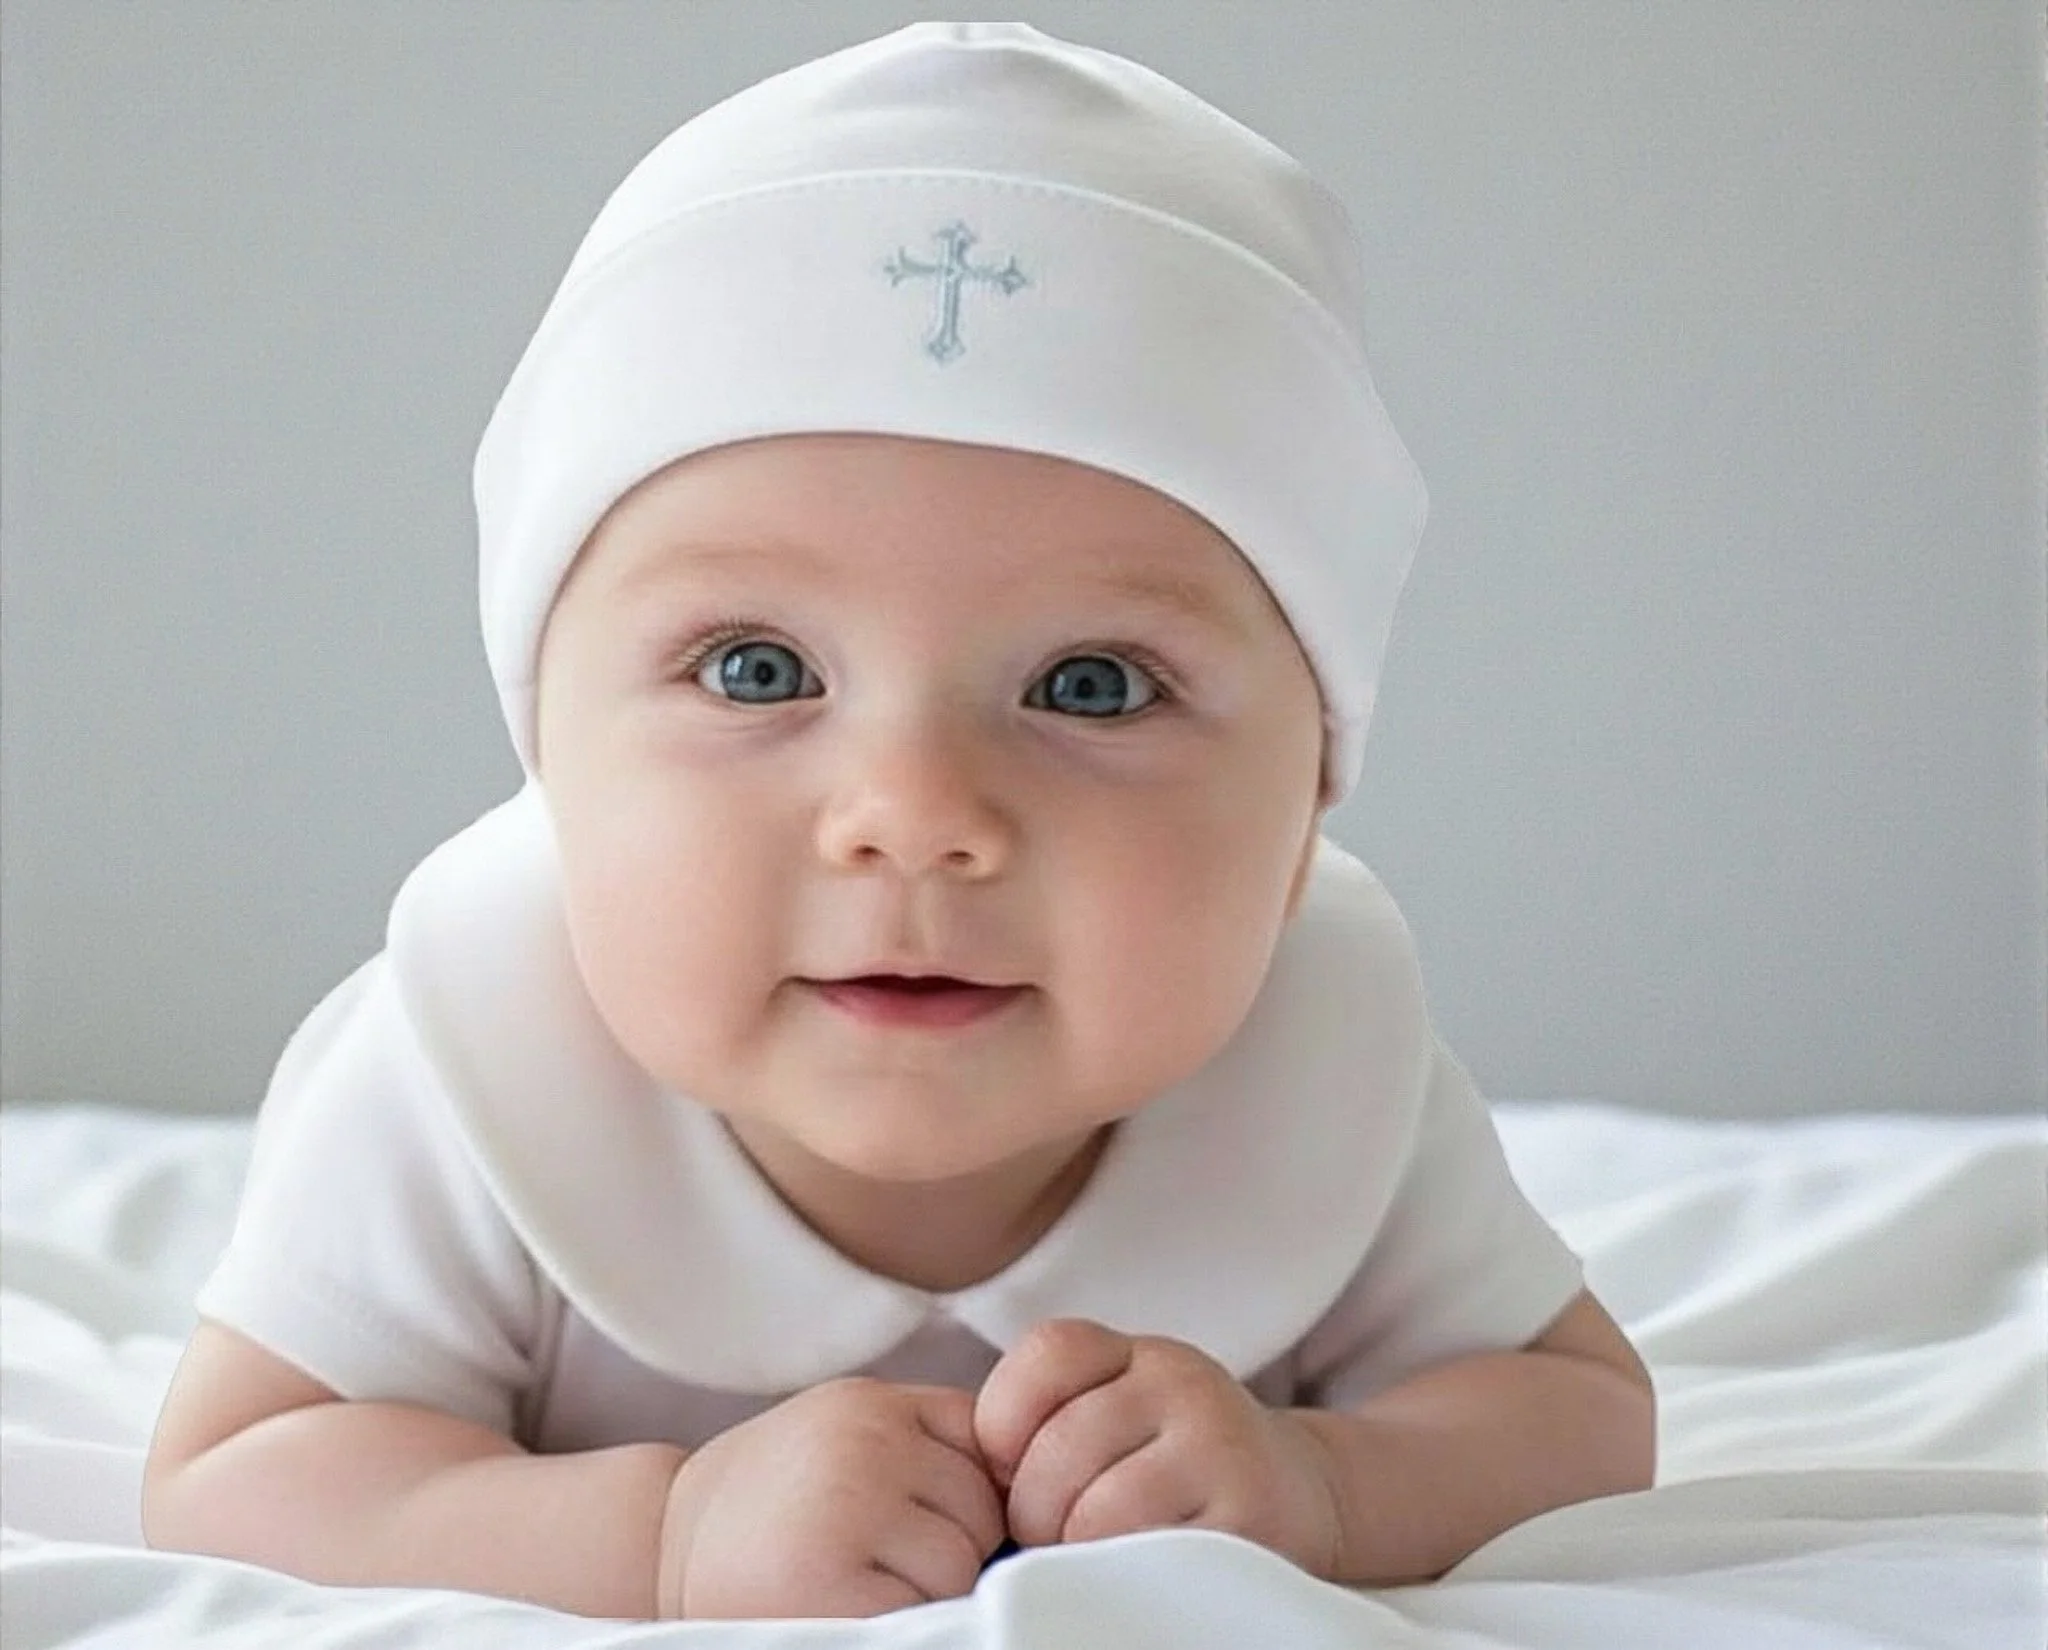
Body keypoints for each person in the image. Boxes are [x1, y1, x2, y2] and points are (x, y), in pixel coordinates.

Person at [139, 20, 1654, 1622]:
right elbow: (246, 1467)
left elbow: (1571, 1411)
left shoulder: (1323, 1062)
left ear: (1305, 816)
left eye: (1091, 685)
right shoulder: (466, 1068)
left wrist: (1327, 1487)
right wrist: (665, 1530)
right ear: (548, 758)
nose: (916, 818)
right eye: (756, 666)